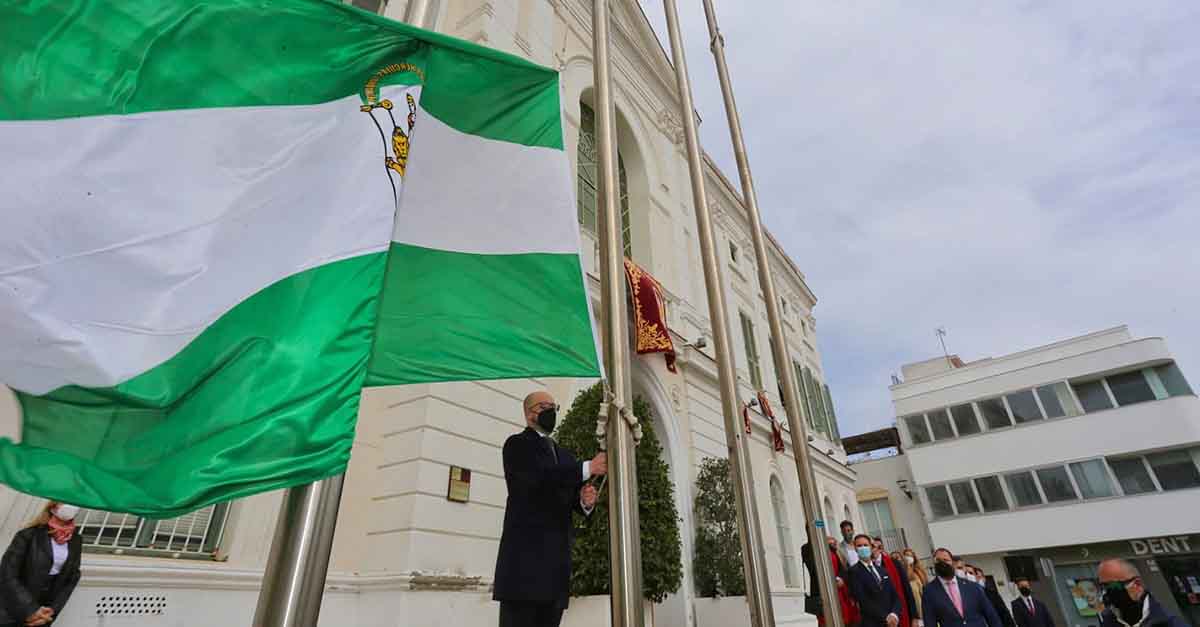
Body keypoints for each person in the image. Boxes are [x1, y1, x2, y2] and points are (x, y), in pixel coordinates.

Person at [493, 391, 607, 627]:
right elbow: (538, 480)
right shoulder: (516, 445)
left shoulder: (564, 455)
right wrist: (587, 467)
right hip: (524, 571)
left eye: (553, 407)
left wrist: (584, 501)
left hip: (555, 572)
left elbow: (566, 493)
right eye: (543, 406)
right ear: (528, 413)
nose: (550, 412)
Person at [0, 501, 83, 627]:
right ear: (53, 508)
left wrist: (52, 611)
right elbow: (7, 573)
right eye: (64, 502)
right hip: (14, 607)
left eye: (72, 502)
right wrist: (31, 609)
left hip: (44, 612)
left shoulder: (76, 540)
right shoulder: (29, 535)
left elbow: (72, 578)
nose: (70, 506)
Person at [1097, 558, 1187, 627]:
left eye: (1113, 586)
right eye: (1103, 587)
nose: (1107, 593)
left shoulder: (1171, 623)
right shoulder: (1108, 622)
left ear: (1137, 584)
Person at [922, 548, 1002, 627]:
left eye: (946, 560)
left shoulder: (973, 587)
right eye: (938, 561)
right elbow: (930, 622)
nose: (942, 563)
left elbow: (991, 616)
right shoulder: (929, 591)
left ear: (953, 563)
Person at [802, 536, 862, 626]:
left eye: (834, 543)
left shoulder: (834, 552)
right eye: (830, 543)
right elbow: (812, 567)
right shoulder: (808, 548)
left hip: (839, 593)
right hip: (822, 595)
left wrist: (840, 579)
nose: (832, 545)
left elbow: (842, 569)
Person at [848, 534, 903, 627]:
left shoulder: (882, 570)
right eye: (859, 546)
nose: (863, 548)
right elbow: (863, 601)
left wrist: (894, 614)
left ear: (871, 547)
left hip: (893, 622)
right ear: (855, 549)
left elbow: (895, 595)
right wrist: (886, 617)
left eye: (865, 545)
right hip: (873, 623)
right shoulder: (853, 572)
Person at [871, 540, 919, 627]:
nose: (870, 549)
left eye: (873, 546)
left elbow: (907, 590)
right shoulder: (868, 568)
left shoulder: (894, 564)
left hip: (900, 612)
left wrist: (914, 617)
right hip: (882, 618)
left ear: (880, 549)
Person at [902, 549, 928, 619]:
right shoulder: (903, 571)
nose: (908, 557)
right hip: (915, 604)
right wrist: (907, 566)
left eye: (910, 555)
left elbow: (926, 584)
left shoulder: (919, 570)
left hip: (924, 600)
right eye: (906, 555)